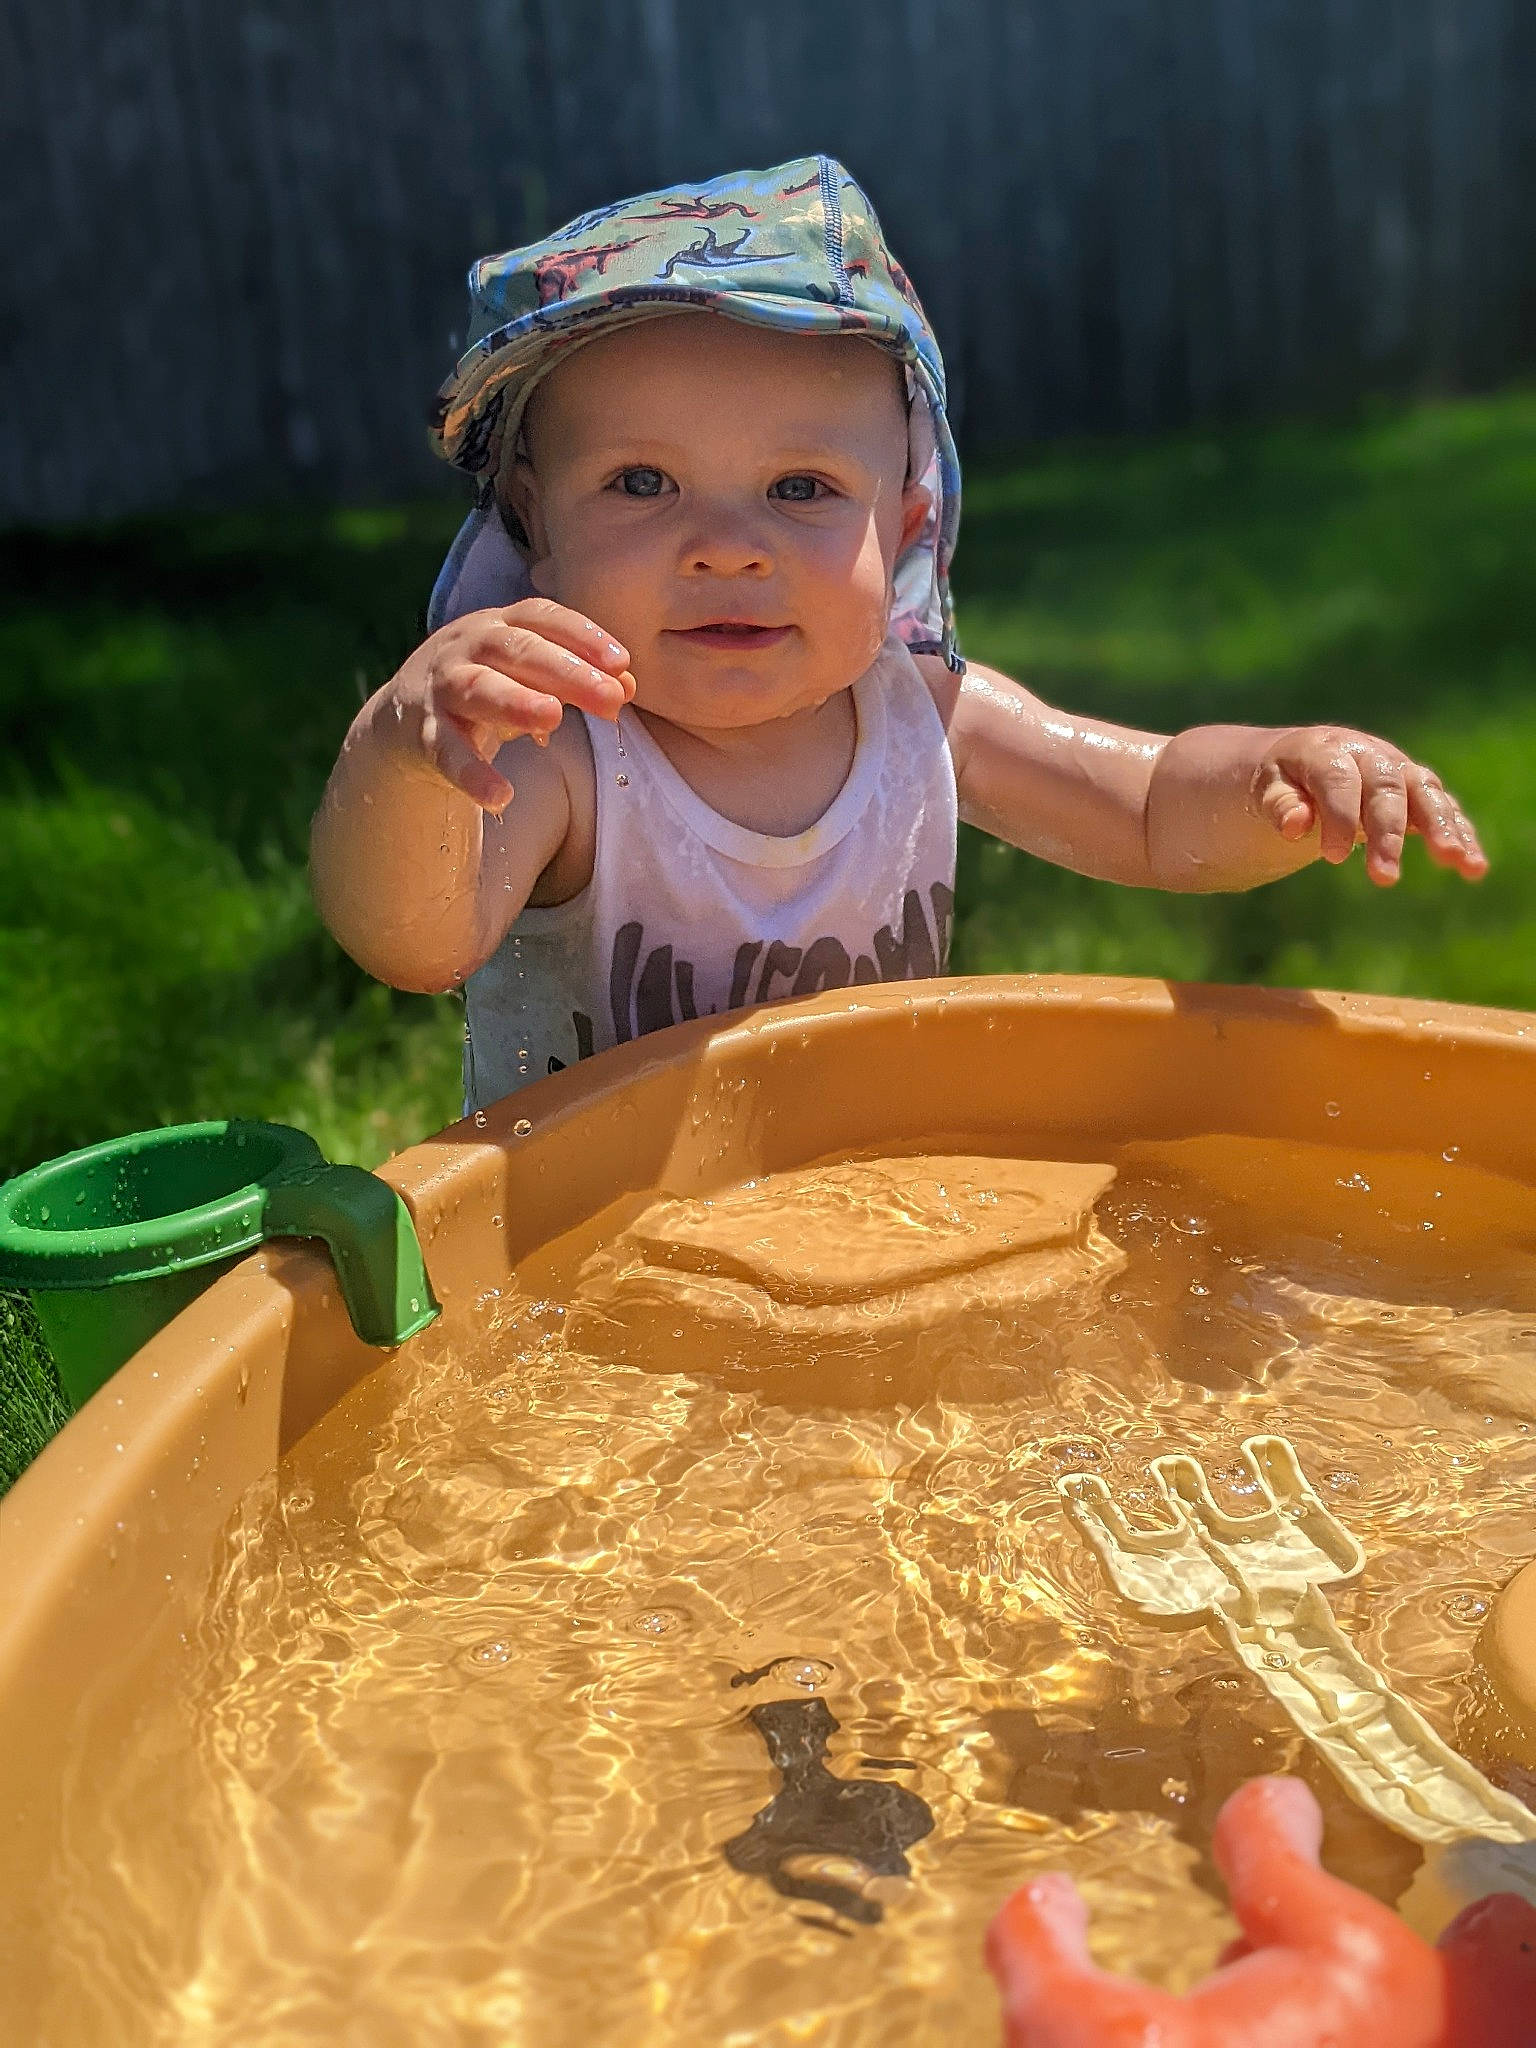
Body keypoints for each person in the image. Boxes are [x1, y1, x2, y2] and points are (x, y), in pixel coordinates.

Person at [310, 157, 1487, 1112]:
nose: (728, 545)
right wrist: (403, 754)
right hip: (596, 1260)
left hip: (867, 1212)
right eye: (642, 482)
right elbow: (416, 942)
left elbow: (1149, 809)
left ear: (907, 519)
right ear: (536, 529)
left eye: (803, 488)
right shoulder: (567, 757)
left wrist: (1279, 776)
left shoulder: (920, 711)